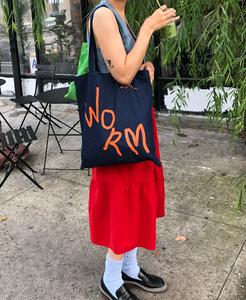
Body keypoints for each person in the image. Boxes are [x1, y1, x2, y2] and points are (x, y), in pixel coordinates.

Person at [87, 1, 180, 299]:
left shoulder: (120, 14)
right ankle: (111, 279)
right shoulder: (103, 14)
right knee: (124, 203)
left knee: (137, 199)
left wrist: (145, 66)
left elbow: (128, 67)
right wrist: (148, 29)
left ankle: (129, 266)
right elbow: (123, 76)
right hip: (116, 131)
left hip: (132, 127)